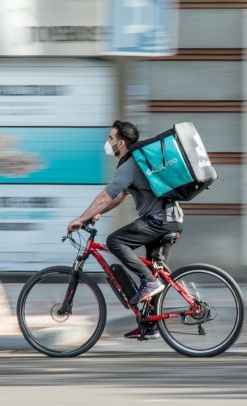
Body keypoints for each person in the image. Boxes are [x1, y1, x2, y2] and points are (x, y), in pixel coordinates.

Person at [67, 120, 184, 339]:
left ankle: (149, 282)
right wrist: (96, 213)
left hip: (158, 221)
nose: (107, 142)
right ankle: (150, 326)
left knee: (114, 242)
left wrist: (82, 218)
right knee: (156, 270)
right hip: (172, 219)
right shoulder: (137, 162)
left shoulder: (129, 164)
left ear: (120, 143)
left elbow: (106, 195)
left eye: (110, 138)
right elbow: (120, 196)